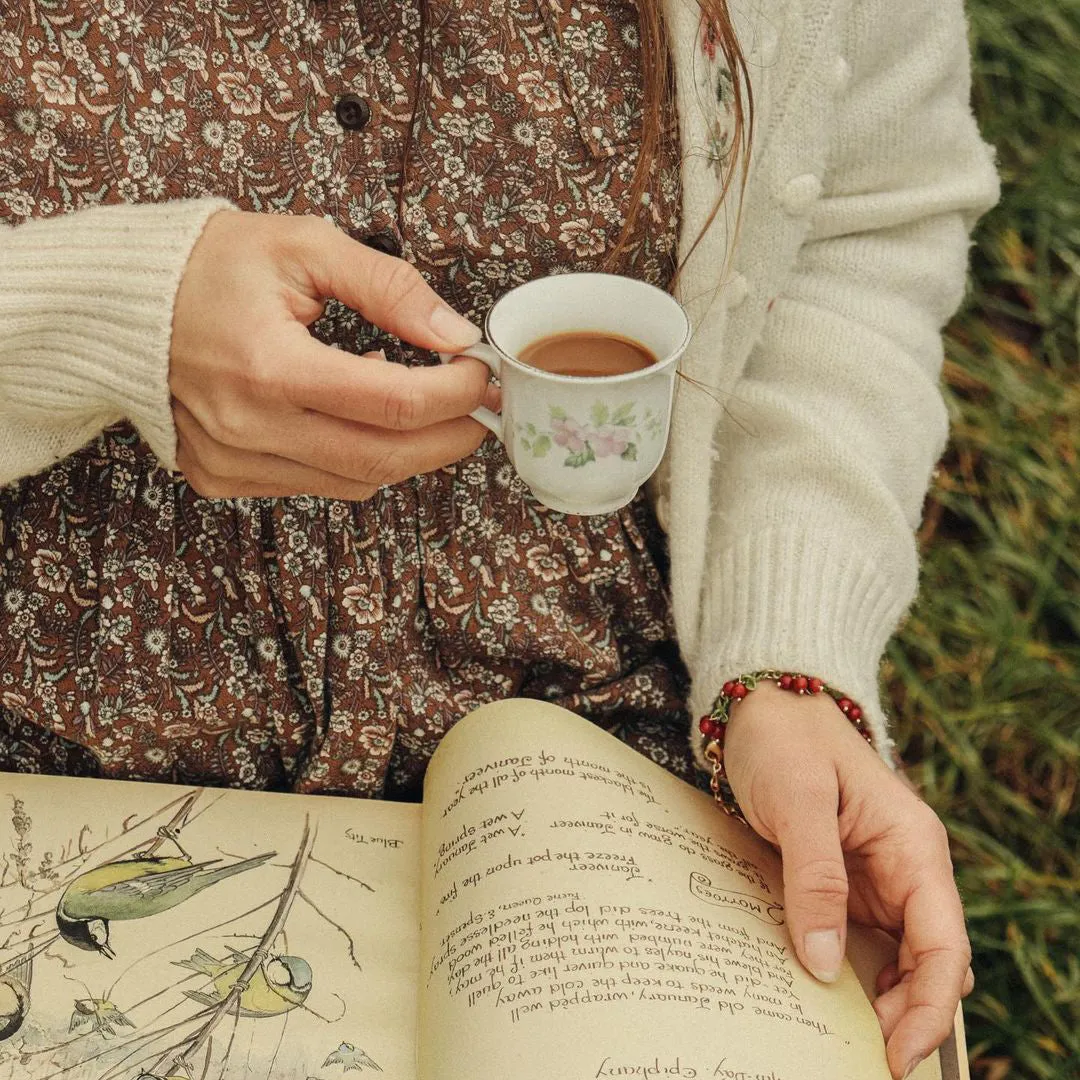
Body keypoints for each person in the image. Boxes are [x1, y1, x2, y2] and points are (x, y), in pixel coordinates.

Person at [0, 0, 998, 1075]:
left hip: (612, 761)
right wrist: (88, 319)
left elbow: (856, 229)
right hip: (49, 779)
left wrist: (787, 663)